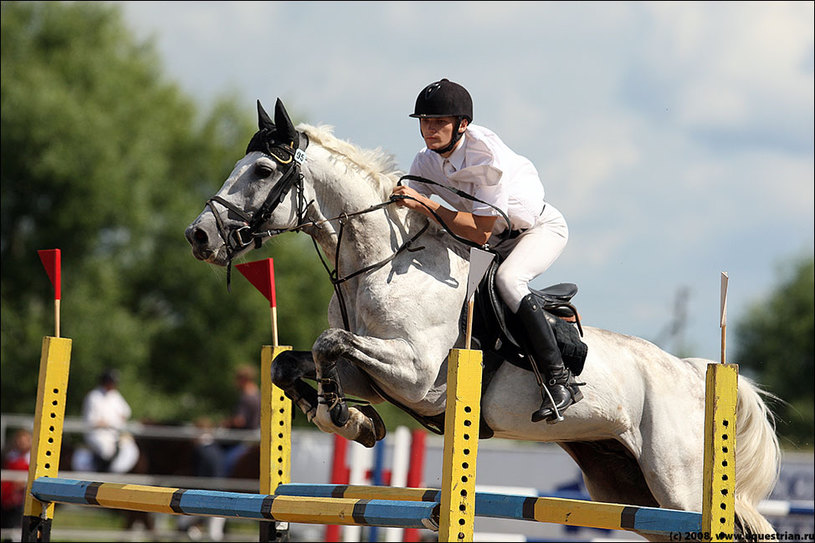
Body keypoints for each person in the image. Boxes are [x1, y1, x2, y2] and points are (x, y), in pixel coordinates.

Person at [391, 78, 582, 422]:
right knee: (456, 294)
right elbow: (404, 200)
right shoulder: (426, 160)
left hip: (536, 231)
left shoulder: (485, 156)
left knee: (509, 281)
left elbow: (479, 231)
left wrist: (426, 206)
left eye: (438, 122)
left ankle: (559, 382)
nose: (429, 129)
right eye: (424, 122)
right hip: (492, 241)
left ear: (462, 124)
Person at [80, 369, 140, 472]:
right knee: (106, 450)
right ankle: (102, 473)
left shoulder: (115, 395)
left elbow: (125, 412)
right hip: (98, 434)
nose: (114, 385)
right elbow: (91, 420)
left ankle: (116, 474)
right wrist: (108, 423)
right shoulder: (93, 396)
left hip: (114, 433)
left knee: (129, 447)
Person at [220, 364, 261, 476]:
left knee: (226, 462)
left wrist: (226, 422)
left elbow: (240, 421)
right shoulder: (259, 395)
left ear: (243, 379)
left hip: (245, 440)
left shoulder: (245, 397)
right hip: (257, 436)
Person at [1, 428, 31, 530]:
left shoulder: (32, 458)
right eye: (19, 441)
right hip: (9, 496)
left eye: (24, 441)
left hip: (24, 496)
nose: (21, 444)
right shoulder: (10, 457)